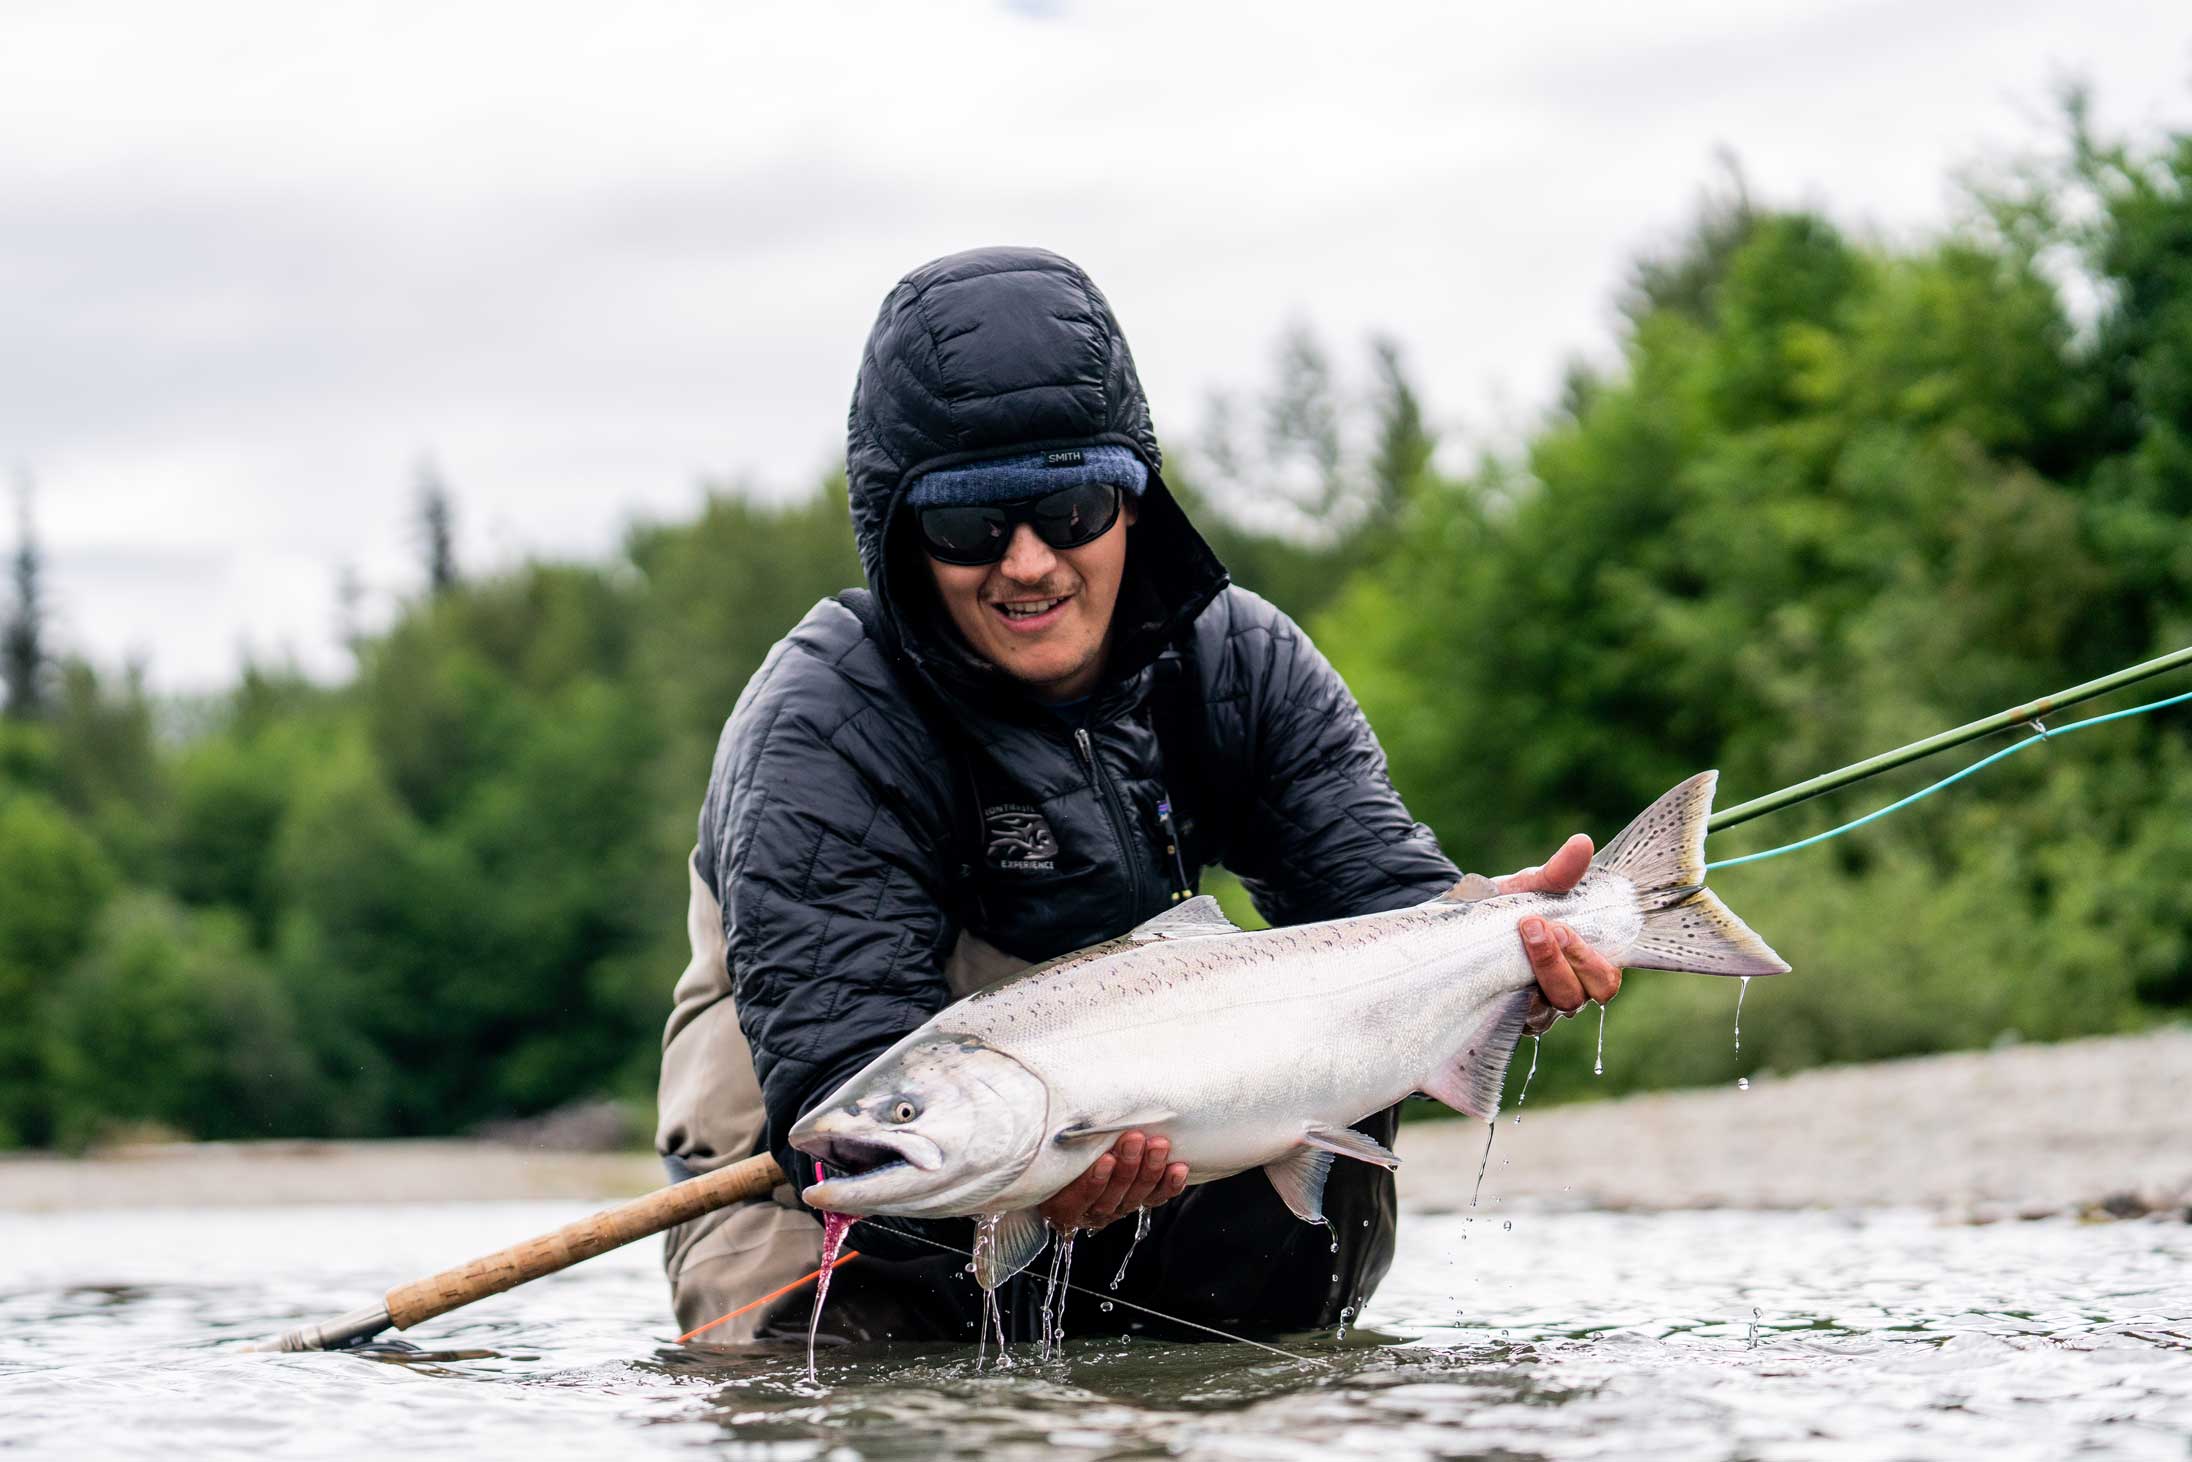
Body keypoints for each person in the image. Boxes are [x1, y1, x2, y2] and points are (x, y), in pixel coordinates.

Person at [654, 245, 1624, 1345]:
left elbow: (1382, 909)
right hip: (817, 1167)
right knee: (833, 1387)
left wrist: (1501, 952)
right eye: (968, 527)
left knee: (1305, 1210)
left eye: (1066, 509)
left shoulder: (1240, 662)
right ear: (901, 538)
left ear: (1131, 504)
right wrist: (1016, 1178)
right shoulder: (821, 721)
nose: (1025, 563)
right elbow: (839, 1069)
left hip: (1125, 1106)